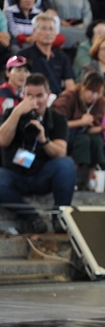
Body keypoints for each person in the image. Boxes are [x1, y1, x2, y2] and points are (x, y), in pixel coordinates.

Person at [0, 73, 73, 234]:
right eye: (29, 96)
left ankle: (60, 216)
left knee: (66, 165)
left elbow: (61, 152)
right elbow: (2, 140)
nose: (35, 101)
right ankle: (31, 216)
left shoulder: (57, 118)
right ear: (23, 95)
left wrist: (44, 139)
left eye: (39, 96)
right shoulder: (11, 114)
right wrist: (17, 113)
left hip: (42, 175)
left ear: (48, 95)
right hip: (14, 175)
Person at [51, 71, 105, 190]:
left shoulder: (100, 102)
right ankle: (72, 179)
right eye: (91, 91)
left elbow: (92, 129)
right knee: (83, 140)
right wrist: (80, 122)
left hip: (84, 133)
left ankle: (90, 181)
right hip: (64, 135)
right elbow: (56, 124)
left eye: (98, 93)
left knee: (97, 141)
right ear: (82, 87)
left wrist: (103, 127)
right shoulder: (68, 97)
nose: (94, 96)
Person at [18, 13, 74, 94]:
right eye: (43, 29)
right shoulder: (23, 56)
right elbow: (18, 84)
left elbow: (70, 86)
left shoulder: (62, 57)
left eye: (51, 29)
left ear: (55, 33)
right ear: (34, 31)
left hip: (57, 101)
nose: (48, 33)